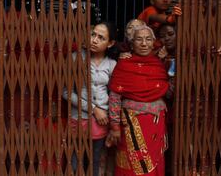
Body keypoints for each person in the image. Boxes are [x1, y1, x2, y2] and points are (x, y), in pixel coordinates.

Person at [106, 25, 169, 175]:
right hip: (132, 125)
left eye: (148, 39)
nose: (144, 44)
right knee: (133, 166)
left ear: (153, 42)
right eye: (139, 39)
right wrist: (114, 127)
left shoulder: (158, 64)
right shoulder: (124, 65)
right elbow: (115, 97)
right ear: (132, 43)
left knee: (155, 163)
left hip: (156, 125)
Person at [63, 22, 118, 176]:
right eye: (93, 34)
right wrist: (94, 109)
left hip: (101, 122)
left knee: (94, 164)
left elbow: (114, 95)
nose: (94, 40)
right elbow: (66, 92)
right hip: (78, 118)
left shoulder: (112, 64)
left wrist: (108, 116)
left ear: (110, 43)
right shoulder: (76, 58)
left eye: (101, 38)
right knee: (74, 163)